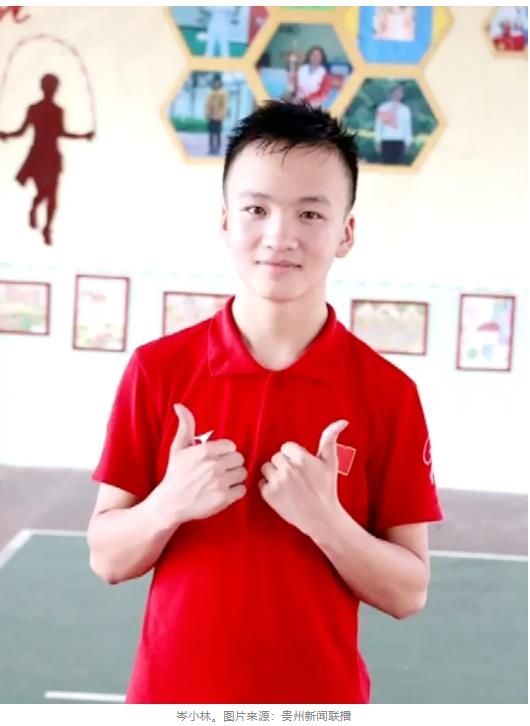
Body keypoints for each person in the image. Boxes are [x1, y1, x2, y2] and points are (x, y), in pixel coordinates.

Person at [88, 100, 443, 704]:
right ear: (226, 221)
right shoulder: (158, 370)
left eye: (310, 213)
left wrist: (327, 521)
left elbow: (409, 592)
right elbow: (107, 559)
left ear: (345, 233)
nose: (280, 236)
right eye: (257, 209)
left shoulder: (389, 394)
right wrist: (169, 503)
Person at [0, 73, 94, 245]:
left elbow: (60, 132)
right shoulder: (35, 109)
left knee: (51, 195)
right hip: (40, 155)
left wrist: (83, 136)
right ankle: (37, 213)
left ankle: (47, 226)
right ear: (44, 87)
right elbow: (23, 130)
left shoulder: (57, 111)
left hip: (49, 155)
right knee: (46, 193)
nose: (51, 89)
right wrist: (7, 134)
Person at [374, 84, 413, 164]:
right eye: (396, 92)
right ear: (391, 93)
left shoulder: (405, 110)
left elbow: (407, 127)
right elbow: (379, 126)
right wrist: (377, 141)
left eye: (400, 92)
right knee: (386, 165)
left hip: (400, 141)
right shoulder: (383, 107)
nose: (398, 94)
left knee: (398, 165)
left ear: (402, 95)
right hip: (386, 140)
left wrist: (408, 142)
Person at [204, 73, 229, 155]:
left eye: (217, 81)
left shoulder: (223, 93)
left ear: (220, 82)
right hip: (211, 116)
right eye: (215, 81)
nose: (216, 83)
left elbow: (225, 105)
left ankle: (217, 149)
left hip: (218, 117)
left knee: (217, 133)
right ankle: (211, 149)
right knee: (211, 133)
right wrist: (207, 113)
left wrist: (222, 115)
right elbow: (207, 104)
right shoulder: (210, 92)